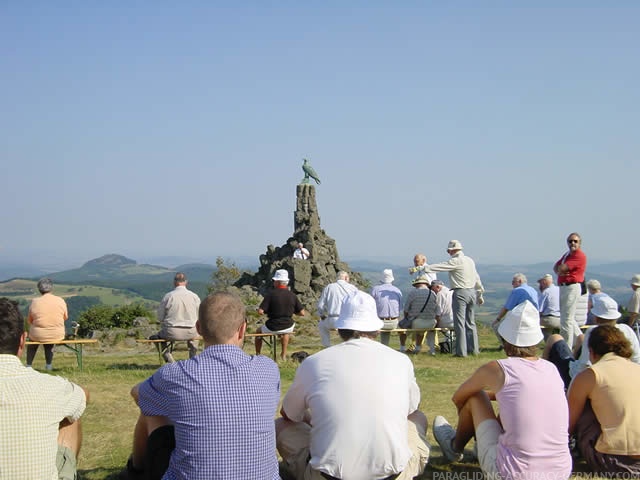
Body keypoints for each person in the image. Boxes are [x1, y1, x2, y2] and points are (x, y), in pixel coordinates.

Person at [119, 292, 281, 480]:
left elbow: (138, 394)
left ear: (198, 328)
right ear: (242, 329)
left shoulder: (175, 374)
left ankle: (135, 471)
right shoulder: (268, 369)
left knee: (151, 411)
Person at [276, 291, 430, 480]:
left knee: (281, 426)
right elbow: (411, 409)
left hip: (329, 476)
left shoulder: (314, 362)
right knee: (418, 418)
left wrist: (313, 418)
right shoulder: (401, 360)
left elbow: (288, 414)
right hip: (393, 475)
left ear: (340, 329)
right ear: (376, 328)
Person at [432, 300, 571, 480]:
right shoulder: (550, 369)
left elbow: (459, 397)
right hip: (560, 472)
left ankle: (455, 447)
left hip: (513, 474)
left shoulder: (498, 368)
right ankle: (485, 444)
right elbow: (522, 398)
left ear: (504, 338)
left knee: (475, 397)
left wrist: (473, 424)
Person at [0, 298, 87, 480]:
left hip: (39, 335)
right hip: (55, 334)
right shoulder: (53, 388)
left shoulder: (35, 303)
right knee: (71, 414)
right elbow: (82, 395)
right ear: (22, 340)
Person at [567, 325, 640, 476]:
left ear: (592, 352)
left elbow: (568, 423)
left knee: (584, 405)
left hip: (614, 462)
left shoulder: (591, 375)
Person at [543, 295, 640, 389]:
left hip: (586, 378)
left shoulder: (594, 332)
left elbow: (585, 365)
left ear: (596, 318)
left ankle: (544, 378)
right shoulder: (627, 330)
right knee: (581, 337)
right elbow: (637, 359)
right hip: (620, 376)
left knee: (554, 338)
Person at [419, 240, 484, 357]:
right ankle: (474, 350)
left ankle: (461, 352)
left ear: (451, 250)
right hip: (472, 292)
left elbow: (442, 266)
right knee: (470, 323)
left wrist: (425, 268)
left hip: (460, 292)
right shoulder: (470, 261)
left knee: (459, 323)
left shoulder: (455, 261)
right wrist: (479, 292)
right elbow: (476, 277)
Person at [150, 272, 201, 363]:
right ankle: (193, 359)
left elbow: (160, 317)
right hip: (191, 332)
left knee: (155, 337)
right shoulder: (194, 296)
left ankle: (169, 359)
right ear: (186, 282)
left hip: (172, 332)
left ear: (174, 282)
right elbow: (199, 315)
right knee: (196, 334)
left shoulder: (169, 296)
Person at [257, 269, 305, 360]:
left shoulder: (271, 294)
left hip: (272, 326)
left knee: (258, 332)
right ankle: (283, 355)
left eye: (274, 281)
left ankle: (258, 354)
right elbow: (302, 313)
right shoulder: (292, 295)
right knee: (286, 332)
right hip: (288, 325)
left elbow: (260, 311)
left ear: (277, 282)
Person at [553, 232, 587, 349]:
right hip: (564, 286)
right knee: (568, 318)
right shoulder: (567, 255)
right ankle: (582, 342)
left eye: (575, 241)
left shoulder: (579, 256)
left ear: (579, 243)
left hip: (571, 286)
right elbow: (556, 267)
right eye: (570, 241)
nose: (572, 243)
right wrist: (561, 270)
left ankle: (566, 348)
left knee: (566, 320)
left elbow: (562, 267)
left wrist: (562, 269)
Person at [26, 277, 68, 370]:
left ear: (39, 289)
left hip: (37, 335)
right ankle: (48, 365)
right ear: (51, 288)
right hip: (57, 334)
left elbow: (29, 320)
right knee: (49, 341)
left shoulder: (35, 301)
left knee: (33, 341)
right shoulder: (60, 300)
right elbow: (65, 317)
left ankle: (29, 365)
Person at [491, 273, 539, 342]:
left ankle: (506, 346)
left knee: (497, 327)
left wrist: (497, 319)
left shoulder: (517, 291)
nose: (512, 284)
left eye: (513, 282)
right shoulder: (533, 290)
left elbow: (506, 308)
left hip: (521, 319)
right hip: (533, 319)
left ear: (520, 281)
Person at [316, 270, 358, 347]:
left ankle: (327, 346)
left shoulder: (329, 287)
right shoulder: (353, 288)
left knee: (321, 325)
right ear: (345, 278)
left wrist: (322, 315)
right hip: (347, 320)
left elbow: (320, 306)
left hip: (332, 319)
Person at [399, 275, 438, 355]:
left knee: (402, 326)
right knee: (421, 331)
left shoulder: (413, 293)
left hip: (417, 322)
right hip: (431, 322)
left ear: (417, 284)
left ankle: (402, 347)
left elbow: (406, 309)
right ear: (426, 284)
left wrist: (407, 317)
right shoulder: (433, 293)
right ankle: (418, 347)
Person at [370, 268, 403, 346]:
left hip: (379, 322)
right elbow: (400, 308)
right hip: (393, 322)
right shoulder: (397, 290)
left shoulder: (375, 289)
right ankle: (385, 346)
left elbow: (370, 306)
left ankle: (371, 346)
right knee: (386, 329)